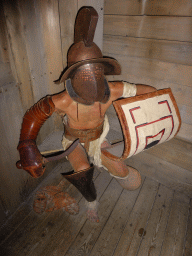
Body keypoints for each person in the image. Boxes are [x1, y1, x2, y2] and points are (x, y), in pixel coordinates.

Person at [17, 7, 156, 222]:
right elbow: (33, 117)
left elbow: (140, 89)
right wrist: (27, 147)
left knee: (121, 169)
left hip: (99, 136)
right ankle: (92, 202)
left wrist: (159, 101)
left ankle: (113, 168)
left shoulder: (111, 90)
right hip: (73, 141)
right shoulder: (64, 100)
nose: (92, 82)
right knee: (82, 172)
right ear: (73, 76)